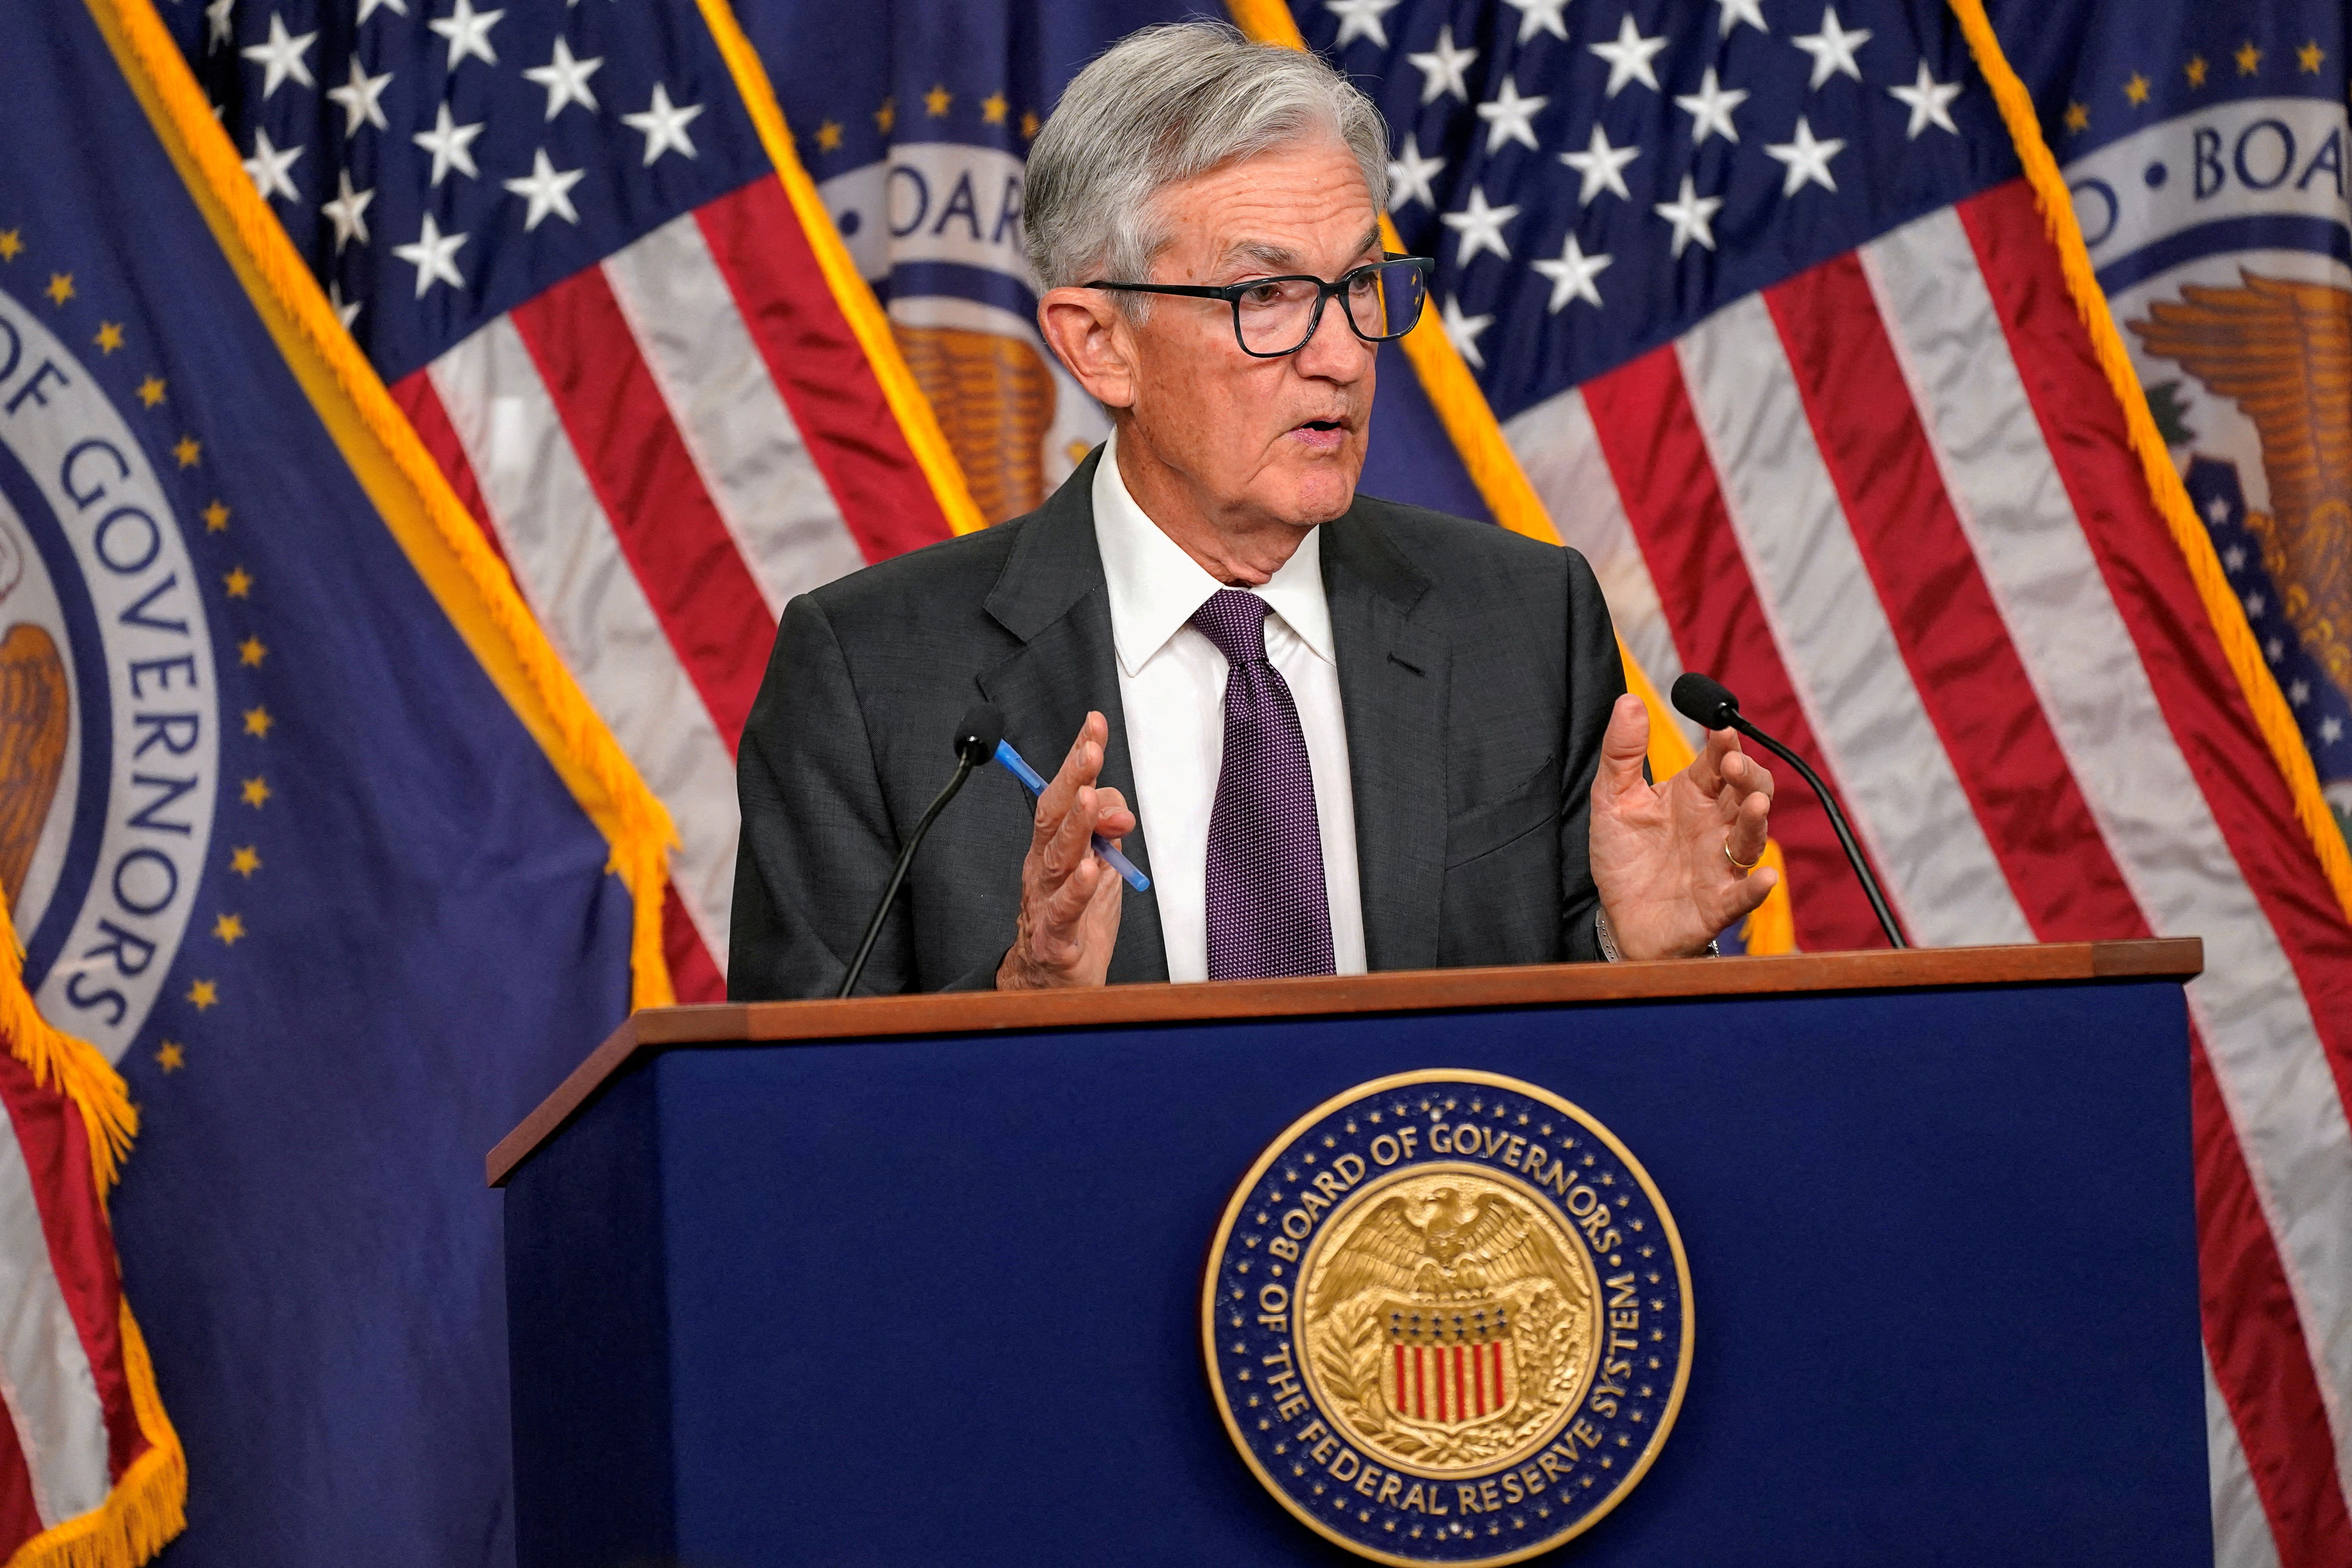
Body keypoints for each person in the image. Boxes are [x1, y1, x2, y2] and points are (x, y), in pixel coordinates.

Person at [729, 22, 1777, 999]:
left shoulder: (1523, 622)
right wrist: (1026, 1007)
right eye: (1264, 297)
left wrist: (1629, 953)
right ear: (1101, 343)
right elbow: (799, 1135)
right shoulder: (871, 681)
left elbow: (1572, 1079)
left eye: (1361, 285)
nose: (1340, 357)